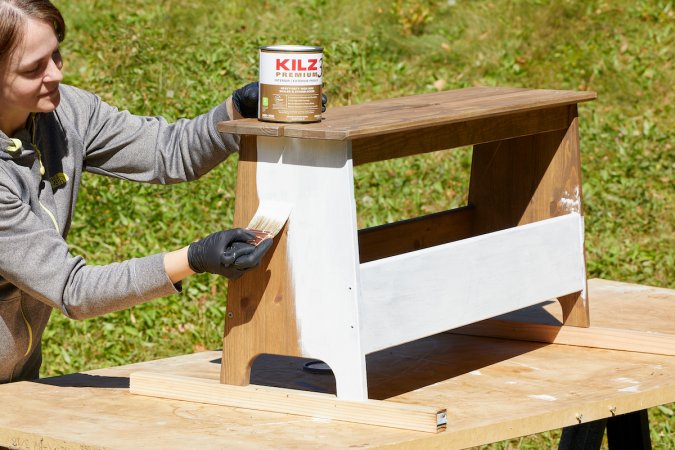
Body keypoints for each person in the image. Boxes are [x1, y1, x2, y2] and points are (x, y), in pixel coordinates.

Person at [0, 0, 298, 384]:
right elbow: (74, 289)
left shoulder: (65, 112)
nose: (56, 73)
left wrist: (233, 114)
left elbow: (165, 152)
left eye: (56, 54)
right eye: (33, 68)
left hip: (18, 380)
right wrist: (194, 258)